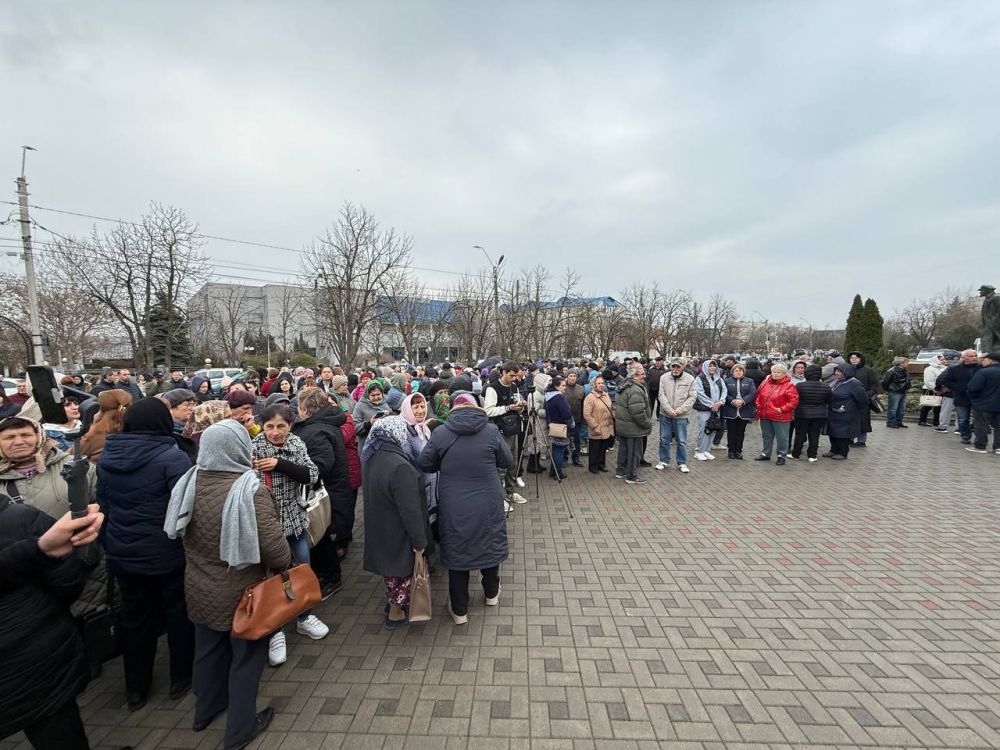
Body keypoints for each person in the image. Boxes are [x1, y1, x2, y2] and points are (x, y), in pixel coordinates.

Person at [165, 419, 291, 749]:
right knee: (247, 659)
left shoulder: (190, 481)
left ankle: (205, 711)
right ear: (239, 448)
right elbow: (275, 550)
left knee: (206, 652)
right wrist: (285, 564)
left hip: (198, 586)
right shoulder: (249, 489)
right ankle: (240, 730)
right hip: (243, 593)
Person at [96, 397, 194, 711]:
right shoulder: (171, 457)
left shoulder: (107, 457)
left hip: (124, 553)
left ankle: (136, 687)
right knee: (179, 615)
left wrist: (110, 543)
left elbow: (105, 507)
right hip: (167, 552)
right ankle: (182, 677)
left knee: (135, 619)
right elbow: (186, 509)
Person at [0, 501, 105, 750]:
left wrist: (38, 550)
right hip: (41, 663)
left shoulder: (22, 517)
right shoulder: (22, 517)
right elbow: (68, 581)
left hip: (38, 663)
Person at [418, 395, 510, 625]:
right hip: (488, 498)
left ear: (453, 410)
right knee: (490, 541)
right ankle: (491, 594)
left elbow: (425, 463)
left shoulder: (441, 433)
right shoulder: (490, 430)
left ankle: (459, 610)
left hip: (454, 501)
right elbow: (506, 460)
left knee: (458, 548)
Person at [251, 403, 325, 666]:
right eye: (269, 426)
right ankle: (275, 631)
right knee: (271, 578)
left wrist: (280, 464)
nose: (275, 432)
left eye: (281, 426)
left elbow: (312, 475)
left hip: (294, 519)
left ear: (290, 425)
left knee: (303, 568)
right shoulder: (254, 447)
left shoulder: (296, 443)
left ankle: (304, 617)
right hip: (267, 526)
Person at [361, 416, 428, 629]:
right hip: (398, 531)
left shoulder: (372, 455)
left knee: (391, 573)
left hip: (381, 526)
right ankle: (395, 614)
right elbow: (410, 511)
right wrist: (419, 541)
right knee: (402, 574)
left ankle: (391, 604)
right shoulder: (401, 466)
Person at [292, 388, 351, 595]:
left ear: (306, 409)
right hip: (328, 490)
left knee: (321, 538)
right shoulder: (323, 424)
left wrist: (291, 468)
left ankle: (330, 578)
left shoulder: (316, 430)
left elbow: (321, 466)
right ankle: (327, 575)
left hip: (322, 494)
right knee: (321, 537)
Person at [483, 362, 528, 506]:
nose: (514, 378)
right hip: (499, 430)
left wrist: (520, 406)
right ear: (503, 372)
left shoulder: (514, 387)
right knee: (501, 465)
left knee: (512, 463)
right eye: (511, 375)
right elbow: (488, 411)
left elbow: (516, 407)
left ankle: (510, 492)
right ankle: (498, 496)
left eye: (516, 375)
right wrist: (508, 407)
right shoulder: (492, 388)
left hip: (513, 428)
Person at [655, 357, 696, 473]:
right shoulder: (664, 378)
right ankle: (663, 460)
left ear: (683, 367)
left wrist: (679, 411)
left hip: (681, 416)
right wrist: (668, 409)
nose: (675, 369)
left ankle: (682, 462)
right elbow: (661, 395)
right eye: (673, 366)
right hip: (665, 414)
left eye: (678, 366)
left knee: (682, 440)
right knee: (664, 439)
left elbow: (692, 397)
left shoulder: (690, 379)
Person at [614, 363, 652, 484]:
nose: (644, 376)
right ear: (634, 375)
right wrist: (647, 424)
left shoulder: (624, 385)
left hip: (624, 426)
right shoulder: (635, 389)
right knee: (635, 452)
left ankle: (620, 471)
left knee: (623, 450)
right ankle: (631, 475)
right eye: (642, 374)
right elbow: (638, 412)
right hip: (633, 428)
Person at [754, 363, 799, 465]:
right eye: (774, 372)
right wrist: (758, 405)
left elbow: (794, 401)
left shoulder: (789, 385)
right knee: (766, 435)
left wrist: (782, 409)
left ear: (784, 374)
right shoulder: (765, 382)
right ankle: (766, 453)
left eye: (778, 372)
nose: (776, 374)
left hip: (780, 416)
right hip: (765, 414)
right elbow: (758, 395)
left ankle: (781, 455)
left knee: (782, 437)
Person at [823, 363, 869, 460]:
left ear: (846, 372)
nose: (836, 373)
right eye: (836, 371)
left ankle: (843, 452)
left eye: (839, 371)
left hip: (846, 414)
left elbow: (862, 400)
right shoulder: (836, 382)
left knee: (843, 434)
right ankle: (833, 450)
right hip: (834, 412)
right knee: (833, 432)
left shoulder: (854, 383)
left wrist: (852, 409)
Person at [935, 349, 981, 442]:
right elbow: (946, 381)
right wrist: (958, 388)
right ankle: (965, 437)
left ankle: (980, 440)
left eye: (975, 356)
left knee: (980, 420)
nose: (974, 358)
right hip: (961, 397)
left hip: (979, 398)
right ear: (963, 358)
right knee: (963, 419)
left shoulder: (982, 368)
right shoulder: (954, 369)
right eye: (971, 356)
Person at [790, 364, 830, 462]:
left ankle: (796, 454)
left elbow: (795, 399)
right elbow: (829, 400)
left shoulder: (800, 386)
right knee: (815, 435)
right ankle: (812, 456)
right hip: (819, 414)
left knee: (800, 434)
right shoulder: (826, 386)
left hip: (802, 413)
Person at [965, 352, 1000, 454]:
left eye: (984, 360)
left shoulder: (983, 372)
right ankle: (998, 447)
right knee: (999, 427)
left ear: (990, 360)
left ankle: (980, 446)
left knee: (981, 425)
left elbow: (972, 388)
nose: (982, 362)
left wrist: (974, 399)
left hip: (982, 404)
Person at [693, 360, 726, 462]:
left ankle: (707, 449)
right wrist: (711, 404)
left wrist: (720, 402)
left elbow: (724, 391)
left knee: (713, 428)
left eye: (714, 366)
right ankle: (699, 451)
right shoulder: (700, 378)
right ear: (705, 367)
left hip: (716, 409)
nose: (712, 368)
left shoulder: (719, 379)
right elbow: (700, 393)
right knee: (703, 429)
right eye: (710, 366)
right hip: (705, 409)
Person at [722, 362, 756, 460]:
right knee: (731, 432)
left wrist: (743, 401)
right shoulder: (727, 381)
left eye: (740, 370)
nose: (738, 372)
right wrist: (732, 401)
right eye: (736, 370)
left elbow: (752, 393)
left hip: (744, 410)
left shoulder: (749, 381)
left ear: (743, 372)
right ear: (732, 372)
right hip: (730, 410)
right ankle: (731, 451)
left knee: (741, 432)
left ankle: (738, 451)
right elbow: (724, 393)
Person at [583, 375, 614, 474]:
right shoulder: (590, 398)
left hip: (606, 426)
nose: (601, 385)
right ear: (594, 385)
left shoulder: (606, 395)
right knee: (594, 448)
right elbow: (587, 414)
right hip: (596, 427)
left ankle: (601, 464)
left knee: (603, 448)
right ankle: (593, 466)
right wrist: (595, 426)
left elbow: (610, 407)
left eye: (602, 383)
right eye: (599, 383)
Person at [847, 351, 879, 447]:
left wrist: (867, 394)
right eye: (852, 358)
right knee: (850, 420)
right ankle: (850, 439)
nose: (854, 360)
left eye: (856, 358)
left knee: (863, 420)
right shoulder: (847, 369)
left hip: (863, 400)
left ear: (861, 359)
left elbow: (874, 385)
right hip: (849, 400)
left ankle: (861, 441)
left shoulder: (867, 370)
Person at [544, 376, 573, 481]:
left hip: (552, 426)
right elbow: (566, 413)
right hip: (561, 427)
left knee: (556, 449)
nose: (565, 388)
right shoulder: (559, 397)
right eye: (563, 385)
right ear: (556, 386)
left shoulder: (547, 396)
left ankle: (553, 471)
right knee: (559, 451)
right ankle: (557, 472)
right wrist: (571, 424)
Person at [523, 372, 552, 475]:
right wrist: (548, 412)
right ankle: (531, 466)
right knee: (535, 444)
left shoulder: (540, 393)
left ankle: (536, 464)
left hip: (541, 422)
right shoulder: (535, 394)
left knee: (539, 444)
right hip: (536, 423)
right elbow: (534, 411)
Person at [353, 380, 390, 450]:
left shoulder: (386, 404)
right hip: (366, 445)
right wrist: (369, 424)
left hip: (384, 445)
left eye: (378, 394)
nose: (376, 397)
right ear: (367, 395)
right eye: (373, 395)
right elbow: (354, 427)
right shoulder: (360, 406)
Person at [917, 353, 947, 427]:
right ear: (936, 360)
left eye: (944, 359)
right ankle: (922, 421)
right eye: (941, 359)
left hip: (941, 390)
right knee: (927, 405)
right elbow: (928, 381)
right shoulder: (929, 369)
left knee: (938, 406)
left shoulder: (943, 368)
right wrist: (935, 389)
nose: (944, 361)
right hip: (930, 389)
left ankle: (936, 422)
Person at [881, 357, 911, 428]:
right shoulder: (891, 371)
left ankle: (898, 421)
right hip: (894, 392)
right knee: (893, 408)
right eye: (906, 362)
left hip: (903, 391)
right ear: (901, 363)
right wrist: (889, 390)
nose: (908, 364)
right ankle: (891, 422)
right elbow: (885, 382)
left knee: (902, 408)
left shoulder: (905, 370)